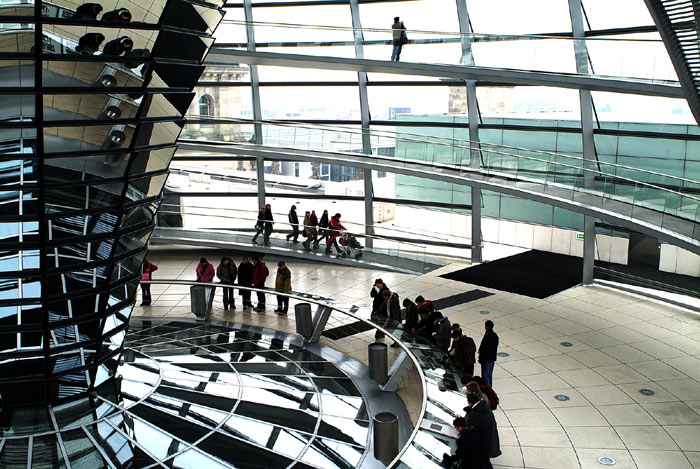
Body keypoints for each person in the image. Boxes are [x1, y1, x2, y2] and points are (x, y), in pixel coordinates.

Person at [464, 392, 501, 468]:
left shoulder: (475, 414)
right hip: (490, 438)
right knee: (485, 461)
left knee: (483, 463)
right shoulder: (484, 406)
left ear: (469, 402)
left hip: (483, 443)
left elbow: (472, 429)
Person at [478, 320, 499, 388]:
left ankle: (488, 388)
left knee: (485, 375)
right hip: (491, 358)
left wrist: (482, 355)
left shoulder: (489, 335)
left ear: (487, 326)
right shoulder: (493, 335)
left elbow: (485, 347)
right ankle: (489, 387)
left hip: (487, 358)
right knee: (489, 374)